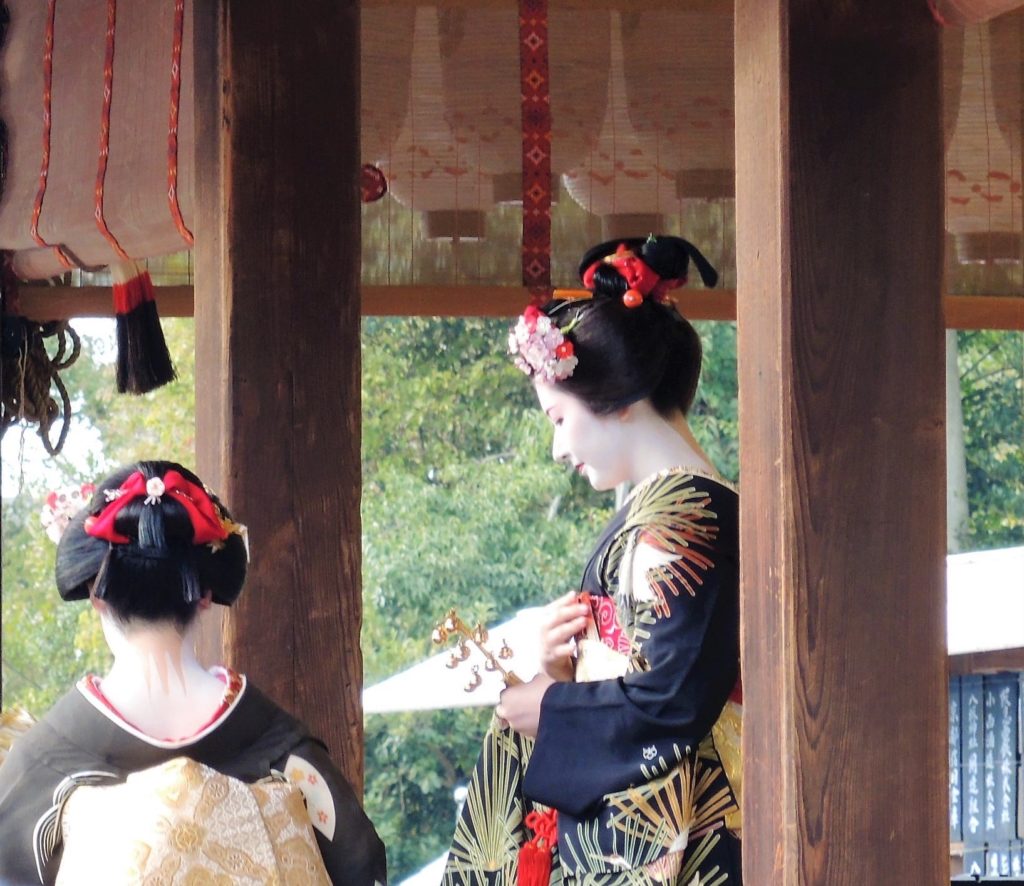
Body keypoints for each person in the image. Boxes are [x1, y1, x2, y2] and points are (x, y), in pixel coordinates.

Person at [444, 236, 742, 884]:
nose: (556, 448)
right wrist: (561, 672)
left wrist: (548, 709)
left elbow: (673, 696)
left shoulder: (685, 515)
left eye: (557, 418)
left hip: (680, 826)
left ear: (618, 398)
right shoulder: (672, 507)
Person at [0, 460, 387, 886]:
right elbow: (360, 866)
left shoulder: (40, 768)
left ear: (97, 593)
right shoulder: (283, 753)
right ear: (204, 593)